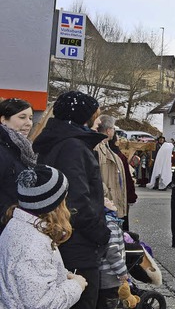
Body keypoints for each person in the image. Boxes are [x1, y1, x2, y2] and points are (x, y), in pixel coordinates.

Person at [33, 90, 110, 309]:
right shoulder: (72, 147)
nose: (97, 123)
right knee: (83, 301)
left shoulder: (62, 141)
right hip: (77, 243)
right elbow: (75, 201)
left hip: (66, 238)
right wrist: (101, 233)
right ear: (82, 118)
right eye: (94, 117)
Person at [0, 165, 87, 308]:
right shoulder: (33, 243)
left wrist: (64, 275)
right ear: (54, 205)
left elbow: (32, 276)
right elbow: (42, 304)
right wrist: (76, 286)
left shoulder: (18, 225)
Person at [0, 98, 37, 229]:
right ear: (3, 119)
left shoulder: (24, 149)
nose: (29, 123)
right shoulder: (3, 150)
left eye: (31, 118)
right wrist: (10, 215)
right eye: (22, 117)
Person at [94, 115, 128, 221]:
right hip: (106, 203)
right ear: (108, 131)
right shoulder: (97, 148)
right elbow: (95, 175)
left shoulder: (106, 146)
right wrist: (106, 192)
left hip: (110, 201)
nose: (114, 131)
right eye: (113, 128)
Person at [97, 197, 129, 309]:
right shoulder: (111, 226)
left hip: (104, 276)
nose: (112, 201)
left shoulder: (105, 223)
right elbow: (112, 252)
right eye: (107, 201)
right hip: (110, 278)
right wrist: (122, 272)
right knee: (109, 303)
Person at [108, 133, 137, 231]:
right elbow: (127, 179)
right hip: (119, 193)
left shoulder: (106, 152)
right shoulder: (119, 156)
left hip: (108, 194)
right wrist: (131, 196)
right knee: (121, 221)